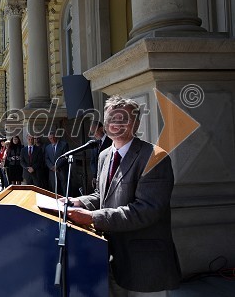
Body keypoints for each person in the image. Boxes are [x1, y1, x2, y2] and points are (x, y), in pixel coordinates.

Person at [67, 95, 181, 295]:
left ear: (136, 123)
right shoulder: (104, 155)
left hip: (144, 264)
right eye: (111, 119)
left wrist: (93, 218)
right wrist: (78, 202)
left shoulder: (155, 157)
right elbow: (101, 195)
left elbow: (146, 210)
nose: (116, 124)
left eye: (123, 119)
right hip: (109, 256)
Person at [89, 121, 113, 190]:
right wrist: (95, 176)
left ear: (101, 129)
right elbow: (93, 161)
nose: (93, 135)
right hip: (98, 178)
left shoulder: (111, 141)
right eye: (91, 133)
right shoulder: (94, 143)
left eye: (94, 132)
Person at [45, 131, 70, 195]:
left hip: (62, 170)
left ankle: (65, 201)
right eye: (50, 138)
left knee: (64, 188)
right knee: (55, 188)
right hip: (52, 171)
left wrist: (57, 166)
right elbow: (46, 159)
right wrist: (51, 167)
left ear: (56, 137)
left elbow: (65, 157)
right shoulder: (47, 147)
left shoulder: (64, 144)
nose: (52, 139)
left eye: (53, 138)